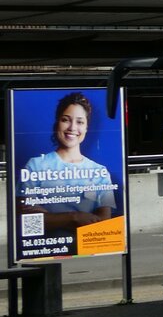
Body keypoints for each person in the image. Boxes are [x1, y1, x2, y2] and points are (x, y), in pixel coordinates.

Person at [19, 91, 116, 230]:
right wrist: (74, 217)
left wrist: (52, 218)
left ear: (86, 127)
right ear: (57, 123)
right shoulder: (35, 166)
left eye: (80, 122)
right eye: (65, 120)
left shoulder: (99, 172)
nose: (72, 128)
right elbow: (29, 221)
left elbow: (104, 222)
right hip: (47, 248)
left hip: (87, 247)